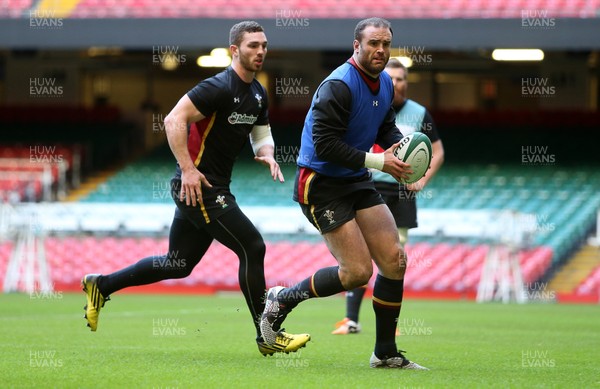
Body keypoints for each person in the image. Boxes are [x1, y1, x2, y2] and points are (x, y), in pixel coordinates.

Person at [80, 20, 310, 357]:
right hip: (200, 186)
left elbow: (261, 130)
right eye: (252, 46)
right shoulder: (216, 86)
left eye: (264, 45)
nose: (260, 51)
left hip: (209, 187)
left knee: (178, 264)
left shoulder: (257, 92)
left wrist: (268, 153)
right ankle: (267, 333)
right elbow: (174, 119)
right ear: (235, 50)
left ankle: (101, 285)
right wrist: (187, 169)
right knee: (252, 246)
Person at [259, 17, 427, 369]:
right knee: (356, 273)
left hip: (355, 178)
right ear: (356, 45)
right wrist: (380, 163)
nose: (380, 50)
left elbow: (384, 126)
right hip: (321, 183)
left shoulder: (383, 83)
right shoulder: (338, 85)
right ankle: (283, 298)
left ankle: (385, 353)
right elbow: (324, 144)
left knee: (395, 261)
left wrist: (403, 156)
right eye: (373, 44)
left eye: (385, 44)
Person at [333, 58, 445, 335]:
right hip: (370, 187)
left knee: (395, 258)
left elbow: (438, 150)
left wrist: (421, 179)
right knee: (362, 257)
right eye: (391, 78)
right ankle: (351, 320)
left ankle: (388, 325)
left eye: (401, 79)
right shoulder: (372, 107)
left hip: (401, 194)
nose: (396, 83)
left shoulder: (419, 113)